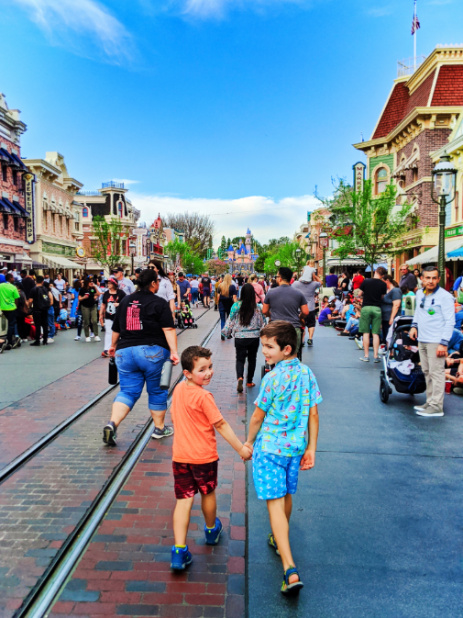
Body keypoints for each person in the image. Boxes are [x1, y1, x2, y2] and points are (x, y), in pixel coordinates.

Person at [245, 321, 321, 595]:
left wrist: (249, 441)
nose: (264, 351)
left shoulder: (272, 378)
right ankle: (279, 540)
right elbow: (313, 414)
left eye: (268, 347)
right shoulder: (306, 374)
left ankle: (289, 568)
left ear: (286, 349)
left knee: (274, 504)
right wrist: (311, 448)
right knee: (287, 494)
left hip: (270, 449)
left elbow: (257, 415)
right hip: (295, 448)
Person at [169, 345, 252, 570]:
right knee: (208, 492)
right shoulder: (204, 396)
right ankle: (210, 529)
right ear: (187, 373)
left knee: (184, 500)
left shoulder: (178, 390)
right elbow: (221, 424)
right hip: (204, 457)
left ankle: (179, 551)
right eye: (202, 369)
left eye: (210, 367)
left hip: (181, 456)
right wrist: (241, 449)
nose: (208, 373)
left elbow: (175, 417)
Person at [103, 269, 180, 446]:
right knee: (157, 391)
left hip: (125, 352)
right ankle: (159, 428)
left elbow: (116, 328)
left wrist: (113, 347)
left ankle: (112, 423)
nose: (159, 284)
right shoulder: (159, 303)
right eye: (158, 282)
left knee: (127, 392)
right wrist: (174, 352)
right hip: (152, 351)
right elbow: (168, 329)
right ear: (153, 283)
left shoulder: (125, 301)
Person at [409, 265, 455, 417]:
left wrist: (443, 343)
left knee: (437, 373)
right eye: (427, 278)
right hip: (422, 338)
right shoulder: (420, 294)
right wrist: (414, 327)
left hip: (436, 341)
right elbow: (418, 312)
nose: (431, 281)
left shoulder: (445, 297)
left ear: (439, 279)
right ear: (421, 279)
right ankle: (430, 402)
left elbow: (450, 321)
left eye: (434, 278)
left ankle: (437, 407)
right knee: (427, 372)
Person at [222, 283, 265, 392]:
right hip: (254, 337)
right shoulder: (258, 307)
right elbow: (263, 322)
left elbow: (230, 321)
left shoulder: (236, 306)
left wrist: (226, 333)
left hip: (240, 337)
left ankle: (240, 377)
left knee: (240, 359)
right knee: (252, 359)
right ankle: (249, 381)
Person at [262, 267, 309, 355]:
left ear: (279, 278)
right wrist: (300, 317)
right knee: (292, 354)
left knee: (276, 353)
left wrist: (270, 314)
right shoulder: (298, 293)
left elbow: (264, 311)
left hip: (276, 327)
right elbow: (306, 312)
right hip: (293, 328)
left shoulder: (271, 292)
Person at [357, 266, 387, 363]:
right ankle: (375, 356)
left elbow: (359, 293)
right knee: (375, 333)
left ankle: (366, 356)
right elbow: (382, 297)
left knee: (366, 333)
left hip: (366, 307)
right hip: (377, 308)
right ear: (383, 275)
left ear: (375, 272)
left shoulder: (366, 281)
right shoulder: (383, 284)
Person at [292, 265, 321, 347]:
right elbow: (321, 282)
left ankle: (302, 339)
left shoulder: (296, 284)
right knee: (311, 324)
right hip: (310, 307)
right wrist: (315, 276)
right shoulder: (314, 284)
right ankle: (310, 338)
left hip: (299, 307)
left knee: (301, 324)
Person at [99, 277, 125, 357]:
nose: (108, 285)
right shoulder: (106, 293)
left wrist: (119, 304)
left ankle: (117, 348)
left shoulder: (121, 293)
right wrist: (101, 314)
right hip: (108, 315)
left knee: (119, 332)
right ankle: (107, 349)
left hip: (118, 316)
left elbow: (126, 303)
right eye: (108, 283)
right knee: (108, 332)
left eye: (110, 283)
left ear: (114, 284)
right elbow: (103, 304)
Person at [29, 275, 53, 346]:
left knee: (37, 325)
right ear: (43, 281)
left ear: (36, 281)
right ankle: (45, 340)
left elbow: (30, 300)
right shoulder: (45, 289)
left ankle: (37, 340)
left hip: (37, 309)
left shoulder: (33, 289)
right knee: (45, 324)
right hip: (45, 309)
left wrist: (29, 306)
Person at [0, 273, 21, 350]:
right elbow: (16, 298)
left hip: (3, 308)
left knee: (10, 322)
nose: (13, 279)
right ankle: (9, 341)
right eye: (12, 278)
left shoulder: (0, 286)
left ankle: (11, 339)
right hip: (11, 308)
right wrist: (16, 306)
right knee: (11, 324)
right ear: (10, 278)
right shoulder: (13, 287)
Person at [78, 277, 101, 342]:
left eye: (92, 282)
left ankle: (96, 335)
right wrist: (84, 297)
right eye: (90, 282)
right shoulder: (82, 289)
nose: (91, 283)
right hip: (85, 306)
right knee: (86, 321)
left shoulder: (92, 288)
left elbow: (98, 294)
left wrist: (95, 287)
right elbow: (79, 298)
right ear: (87, 282)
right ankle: (87, 336)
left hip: (93, 306)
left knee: (94, 320)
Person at [381, 275, 402, 342]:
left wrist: (392, 318)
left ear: (387, 281)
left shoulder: (395, 290)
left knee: (390, 336)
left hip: (390, 317)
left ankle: (390, 350)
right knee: (386, 335)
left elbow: (396, 305)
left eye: (382, 281)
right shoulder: (387, 291)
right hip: (385, 317)